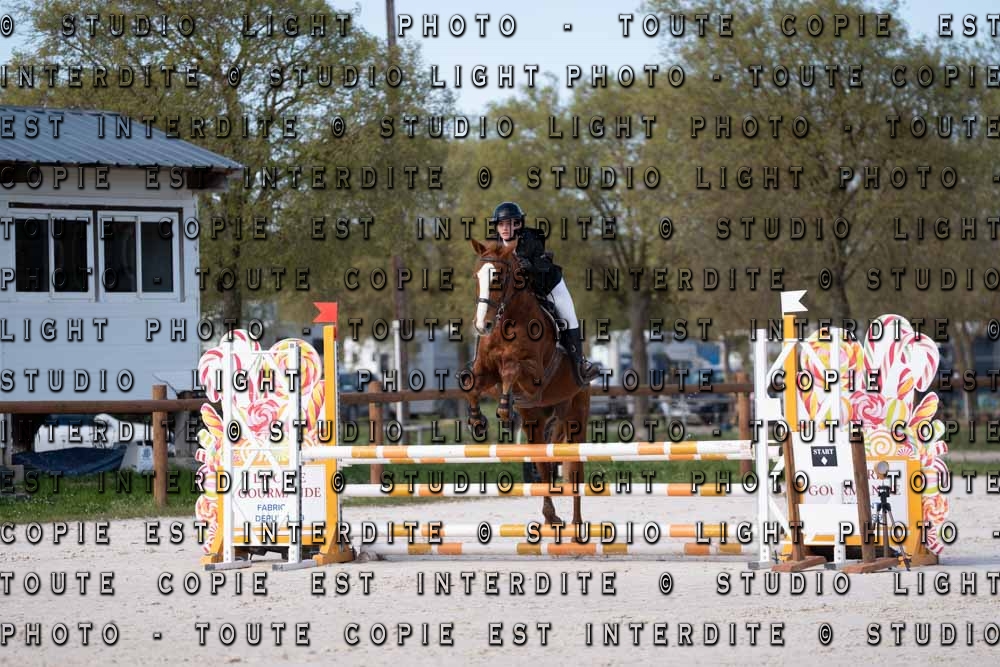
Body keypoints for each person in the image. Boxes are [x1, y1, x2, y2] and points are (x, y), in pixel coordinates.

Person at [489, 201, 600, 385]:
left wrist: (530, 266)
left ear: (518, 224)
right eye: (501, 224)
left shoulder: (531, 238)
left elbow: (543, 265)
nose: (505, 228)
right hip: (517, 293)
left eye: (509, 223)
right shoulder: (495, 245)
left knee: (568, 317)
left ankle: (580, 365)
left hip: (547, 285)